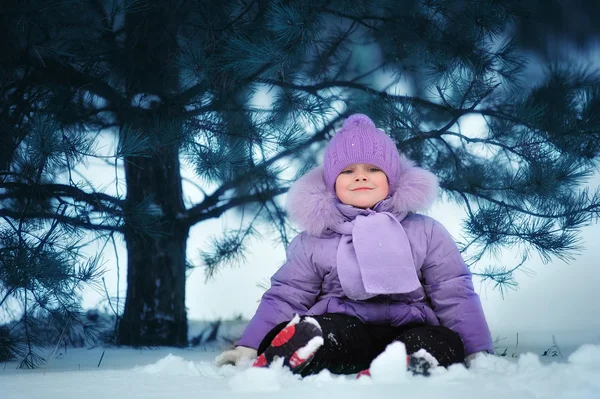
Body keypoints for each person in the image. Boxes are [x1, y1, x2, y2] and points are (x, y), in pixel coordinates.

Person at [214, 114, 494, 377]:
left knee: (441, 341)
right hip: (346, 328)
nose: (361, 176)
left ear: (391, 178)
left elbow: (454, 291)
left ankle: (408, 363)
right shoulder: (316, 238)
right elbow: (287, 294)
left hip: (411, 325)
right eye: (348, 171)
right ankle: (302, 348)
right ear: (332, 183)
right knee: (325, 332)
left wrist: (477, 350)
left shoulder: (425, 231)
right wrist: (249, 345)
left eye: (373, 168)